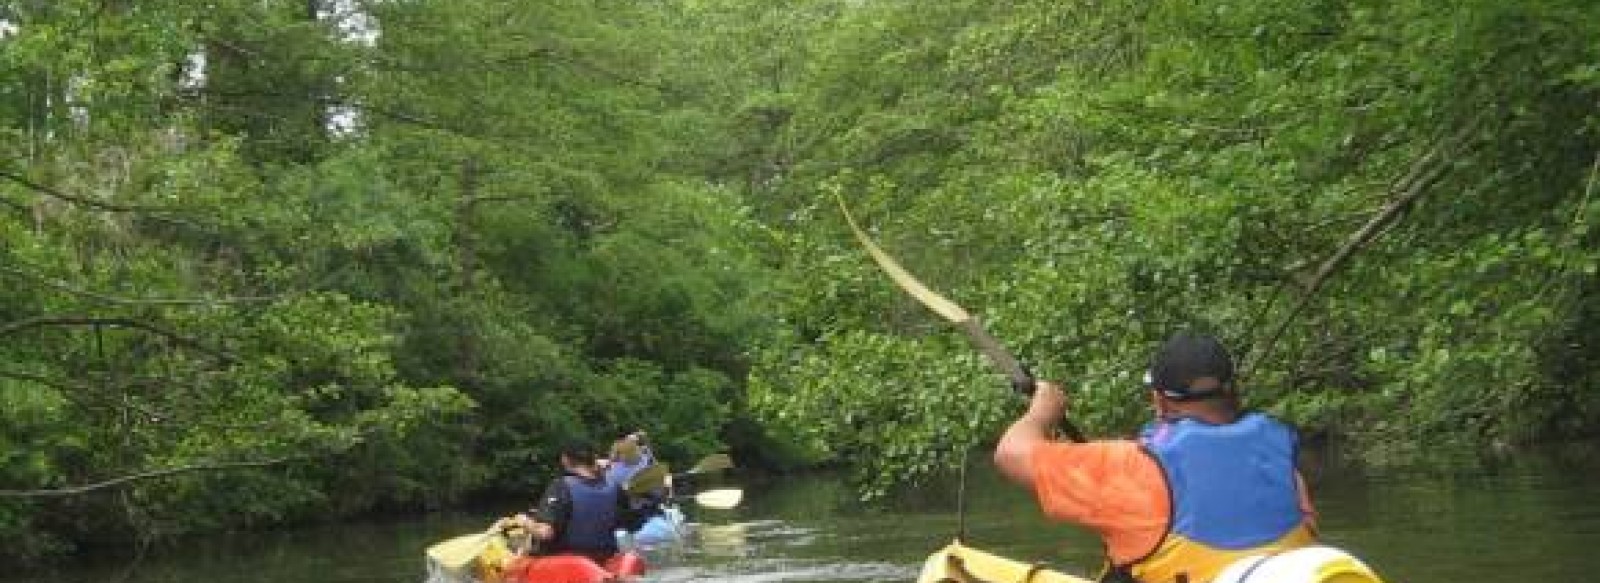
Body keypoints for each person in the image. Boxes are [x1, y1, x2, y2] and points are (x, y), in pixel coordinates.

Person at [993, 333, 1317, 583]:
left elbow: (1010, 453)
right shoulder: (1283, 464)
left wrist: (1041, 413)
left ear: (1160, 402)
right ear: (1235, 393)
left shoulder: (1133, 471)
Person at [501, 441, 643, 562]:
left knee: (521, 549)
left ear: (565, 459)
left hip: (566, 561)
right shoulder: (614, 487)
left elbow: (545, 533)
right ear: (593, 459)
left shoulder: (561, 486)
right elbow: (632, 523)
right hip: (605, 557)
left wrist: (525, 522)